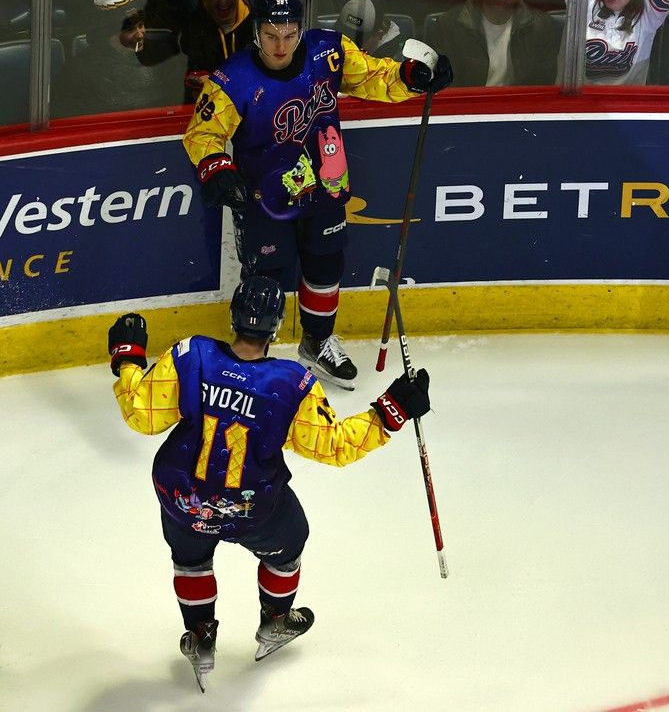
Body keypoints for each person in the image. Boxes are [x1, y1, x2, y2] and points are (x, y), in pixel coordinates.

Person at [107, 275, 432, 692]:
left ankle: (201, 637)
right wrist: (391, 411)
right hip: (252, 510)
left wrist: (128, 361)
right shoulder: (291, 384)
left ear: (233, 316)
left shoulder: (192, 355)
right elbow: (332, 447)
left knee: (190, 560)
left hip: (182, 500)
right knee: (289, 546)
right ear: (278, 327)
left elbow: (143, 415)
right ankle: (275, 622)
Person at [181, 0, 452, 390]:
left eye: (289, 34)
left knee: (326, 265)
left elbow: (374, 78)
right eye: (271, 35)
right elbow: (202, 133)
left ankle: (318, 342)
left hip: (326, 185)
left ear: (300, 28)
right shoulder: (233, 78)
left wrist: (411, 77)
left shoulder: (329, 51)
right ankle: (251, 360)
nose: (280, 44)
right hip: (264, 198)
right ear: (257, 31)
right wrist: (217, 168)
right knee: (264, 280)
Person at [426, 0, 561, 87]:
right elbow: (442, 86)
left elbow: (542, 87)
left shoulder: (540, 28)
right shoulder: (449, 26)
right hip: (468, 107)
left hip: (518, 108)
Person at [138, 0, 256, 103]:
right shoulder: (188, 28)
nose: (223, 0)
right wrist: (195, 82)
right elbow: (172, 79)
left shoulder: (260, 27)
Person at [52, 7, 187, 116]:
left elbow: (174, 100)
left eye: (141, 26)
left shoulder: (161, 60)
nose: (140, 34)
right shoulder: (79, 70)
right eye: (129, 30)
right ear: (108, 34)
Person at [335, 0, 407, 59]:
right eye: (343, 35)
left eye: (357, 42)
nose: (347, 45)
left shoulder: (391, 60)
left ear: (379, 35)